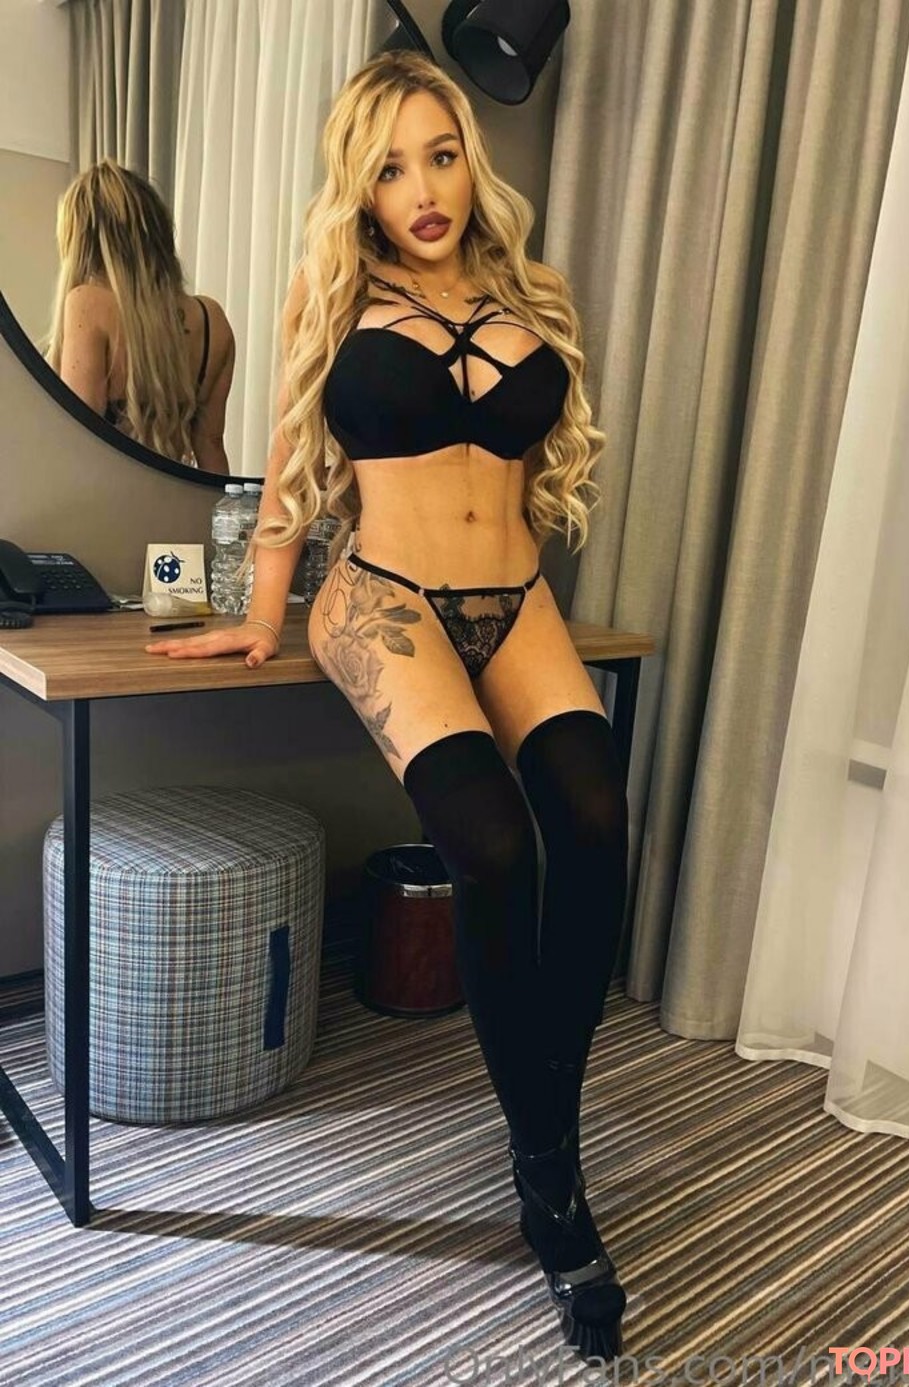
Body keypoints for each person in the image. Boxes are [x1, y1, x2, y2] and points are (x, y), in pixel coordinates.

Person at [145, 50, 629, 1362]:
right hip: (387, 594)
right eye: (392, 167)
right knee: (495, 845)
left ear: (473, 160)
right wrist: (259, 612)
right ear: (360, 187)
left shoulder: (528, 292)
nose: (424, 189)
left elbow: (528, 474)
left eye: (443, 155)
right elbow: (292, 463)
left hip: (513, 596)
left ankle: (548, 1113)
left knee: (596, 818)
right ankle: (551, 1176)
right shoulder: (335, 290)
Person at [44, 158, 235, 475]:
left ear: (81, 242)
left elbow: (78, 444)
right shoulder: (211, 319)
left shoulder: (87, 303)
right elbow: (211, 446)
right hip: (173, 501)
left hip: (105, 500)